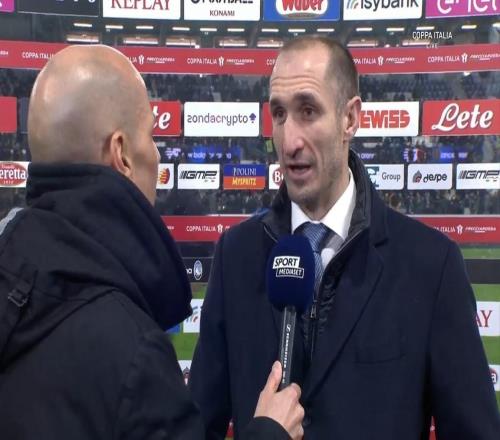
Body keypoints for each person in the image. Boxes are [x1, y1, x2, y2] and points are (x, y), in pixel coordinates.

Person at [189, 35, 500, 439]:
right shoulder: (236, 256)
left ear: (350, 119)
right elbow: (198, 428)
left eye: (308, 111)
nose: (289, 141)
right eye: (280, 114)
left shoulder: (430, 265)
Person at [0, 45, 304, 440]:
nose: (157, 154)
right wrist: (270, 433)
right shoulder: (132, 353)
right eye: (151, 135)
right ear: (122, 154)